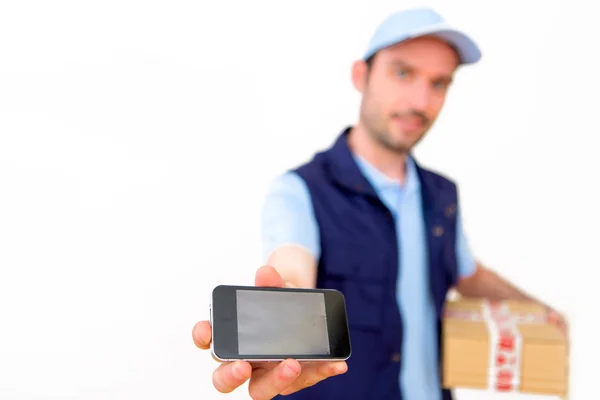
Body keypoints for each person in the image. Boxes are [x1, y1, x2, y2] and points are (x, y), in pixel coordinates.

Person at [192, 7, 568, 400]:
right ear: (361, 76)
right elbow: (292, 267)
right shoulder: (299, 190)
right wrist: (284, 303)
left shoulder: (443, 196)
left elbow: (467, 274)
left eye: (439, 83)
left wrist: (543, 313)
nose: (421, 101)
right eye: (403, 73)